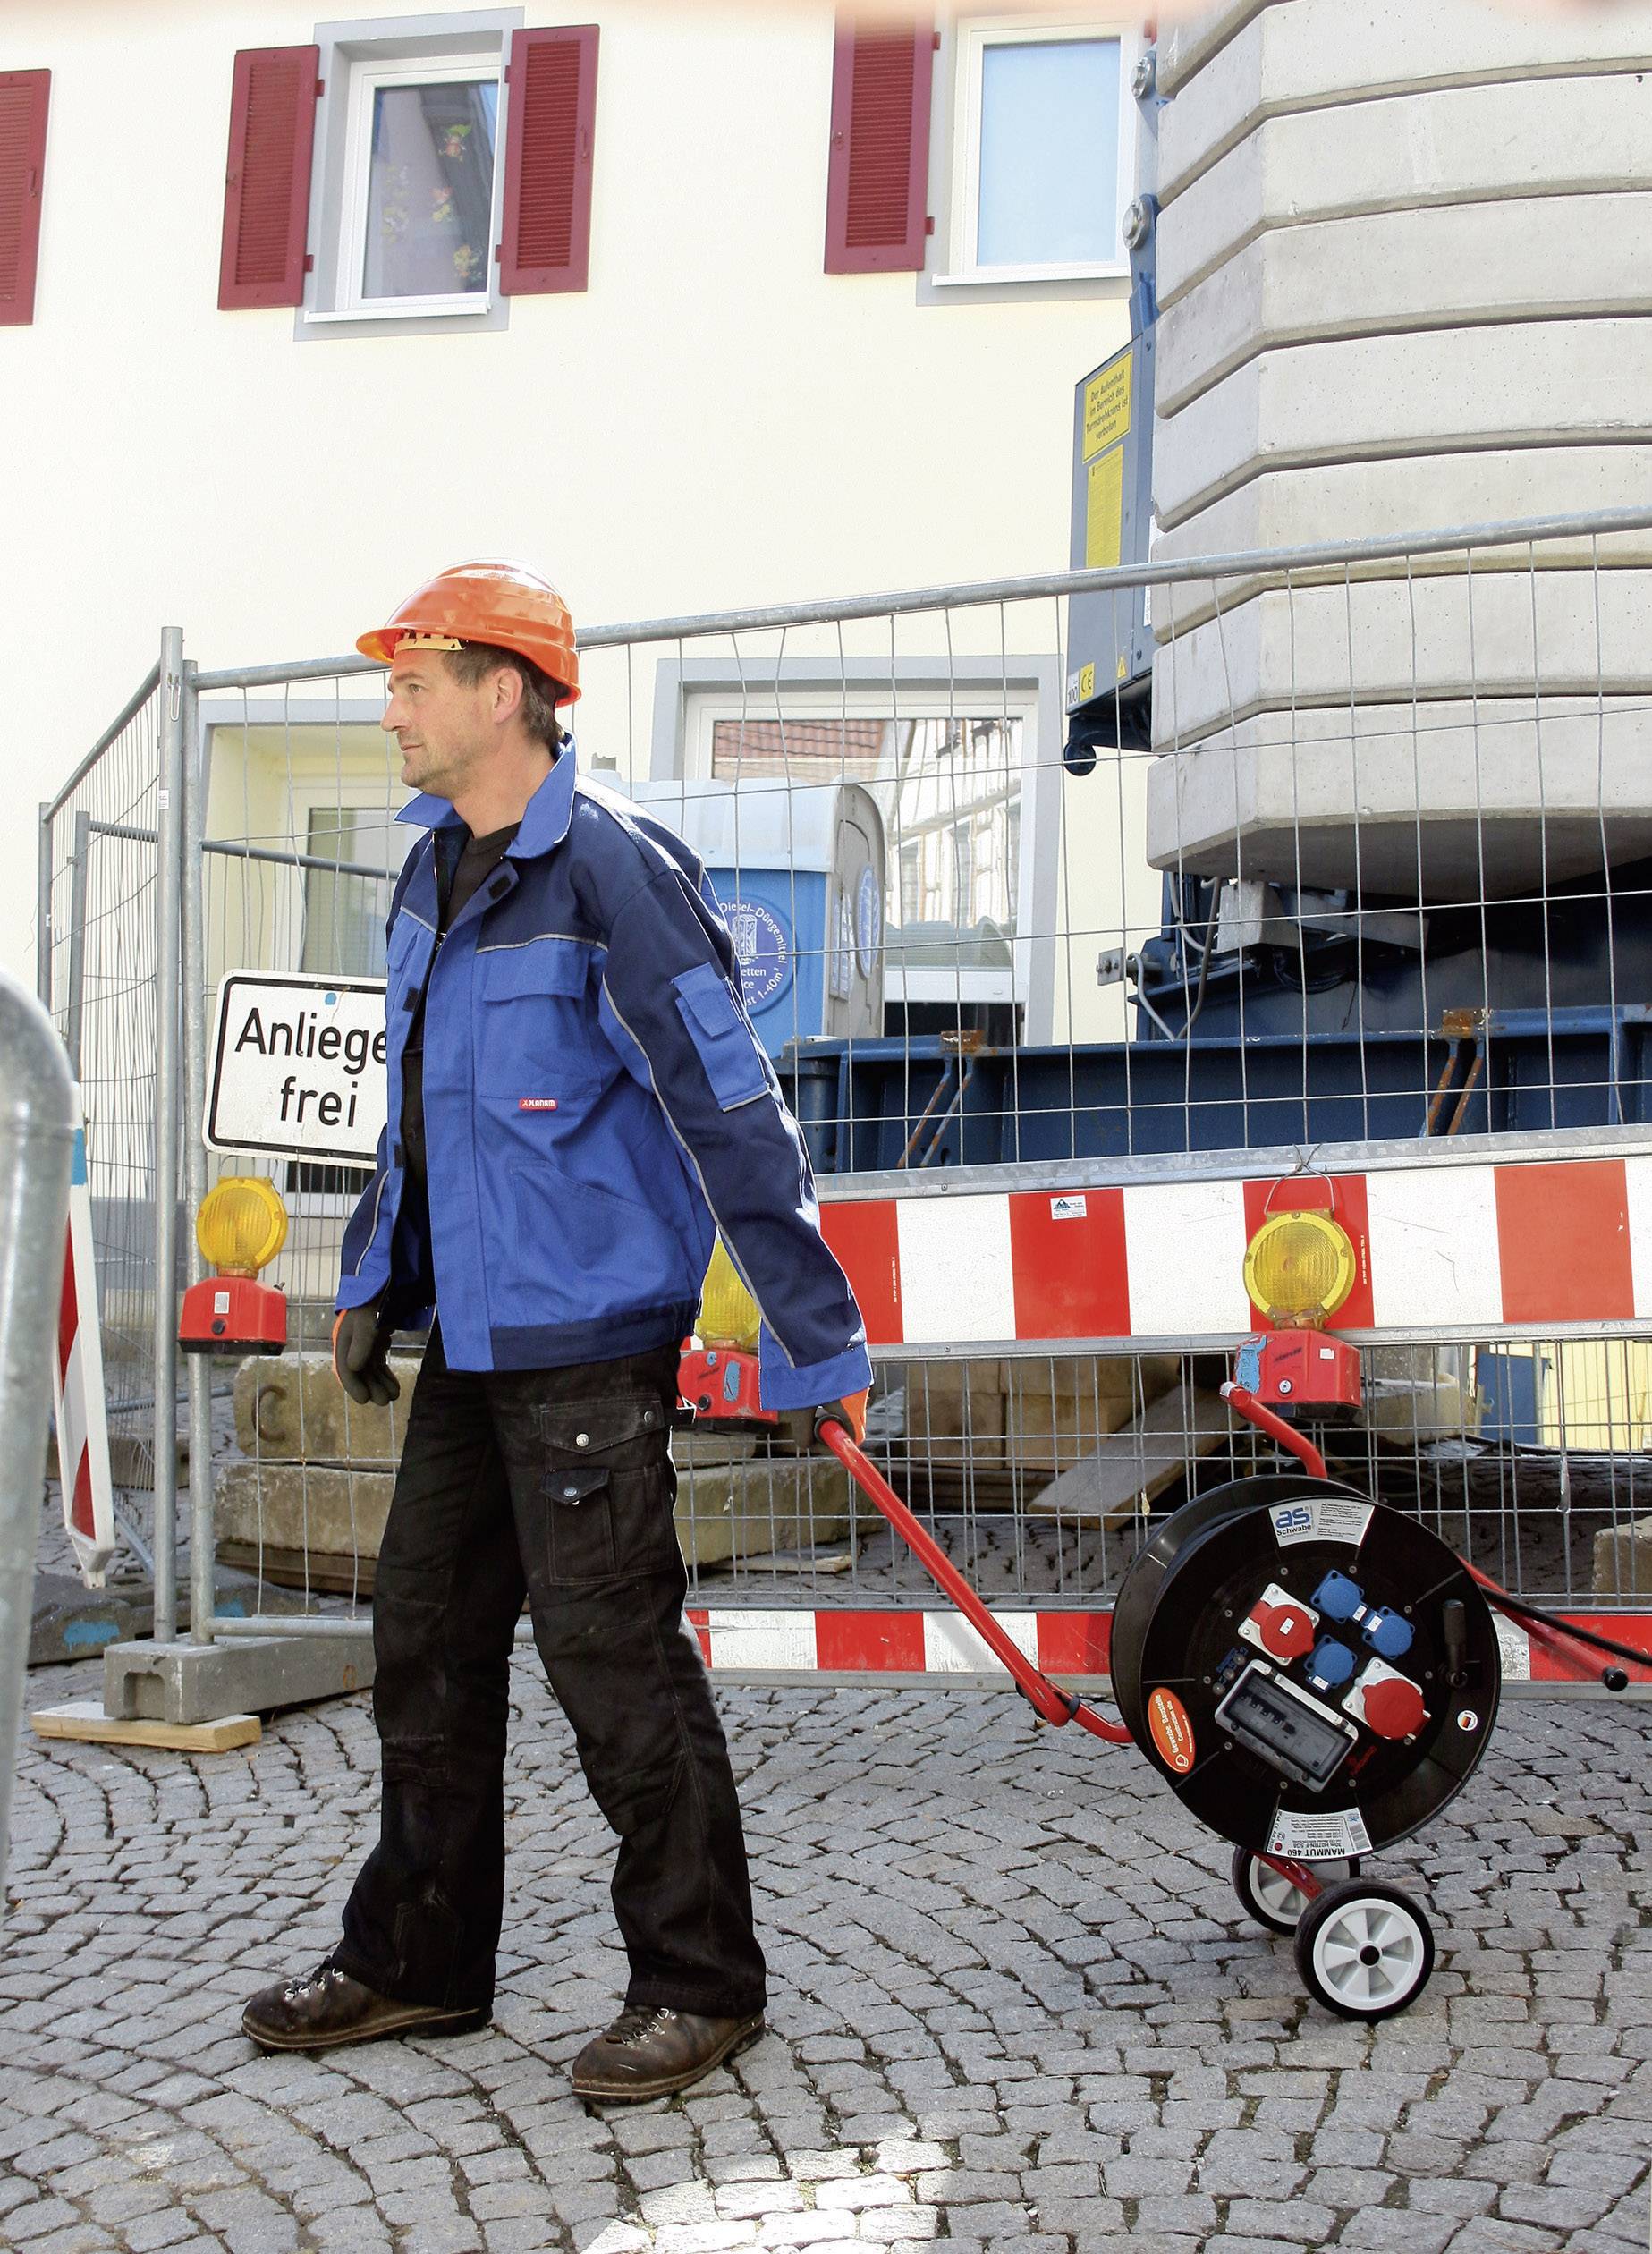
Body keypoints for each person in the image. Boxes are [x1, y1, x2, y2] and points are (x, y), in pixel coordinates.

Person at [241, 561, 870, 2102]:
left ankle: (700, 1981)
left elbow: (729, 1105)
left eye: (413, 678)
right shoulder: (426, 875)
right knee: (427, 1648)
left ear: (504, 692)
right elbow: (419, 1112)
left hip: (589, 1343)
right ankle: (418, 1963)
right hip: (470, 1339)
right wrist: (371, 1278)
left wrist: (814, 1337)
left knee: (612, 1667)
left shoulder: (611, 874)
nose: (388, 705)